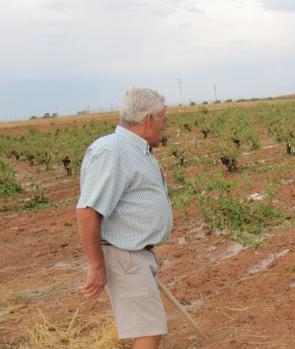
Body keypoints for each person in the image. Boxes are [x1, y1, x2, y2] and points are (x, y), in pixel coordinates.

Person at [76, 87, 172, 349]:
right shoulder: (113, 151)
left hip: (135, 255)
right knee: (148, 332)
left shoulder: (135, 150)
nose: (165, 126)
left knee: (150, 327)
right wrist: (97, 266)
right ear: (149, 119)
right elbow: (87, 211)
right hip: (124, 256)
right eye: (164, 120)